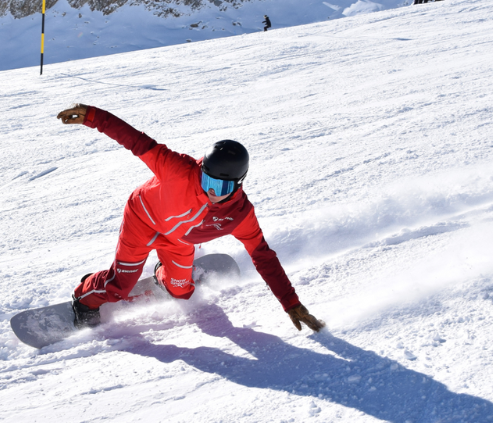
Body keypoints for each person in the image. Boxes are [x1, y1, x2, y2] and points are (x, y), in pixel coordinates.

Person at [56, 103, 325, 333]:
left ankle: (163, 273)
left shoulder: (240, 215)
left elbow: (263, 256)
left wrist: (291, 303)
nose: (211, 191)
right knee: (119, 287)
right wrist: (92, 116)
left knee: (182, 292)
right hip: (142, 221)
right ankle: (84, 296)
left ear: (238, 184)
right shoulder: (178, 169)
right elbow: (137, 141)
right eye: (207, 179)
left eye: (220, 187)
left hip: (176, 240)